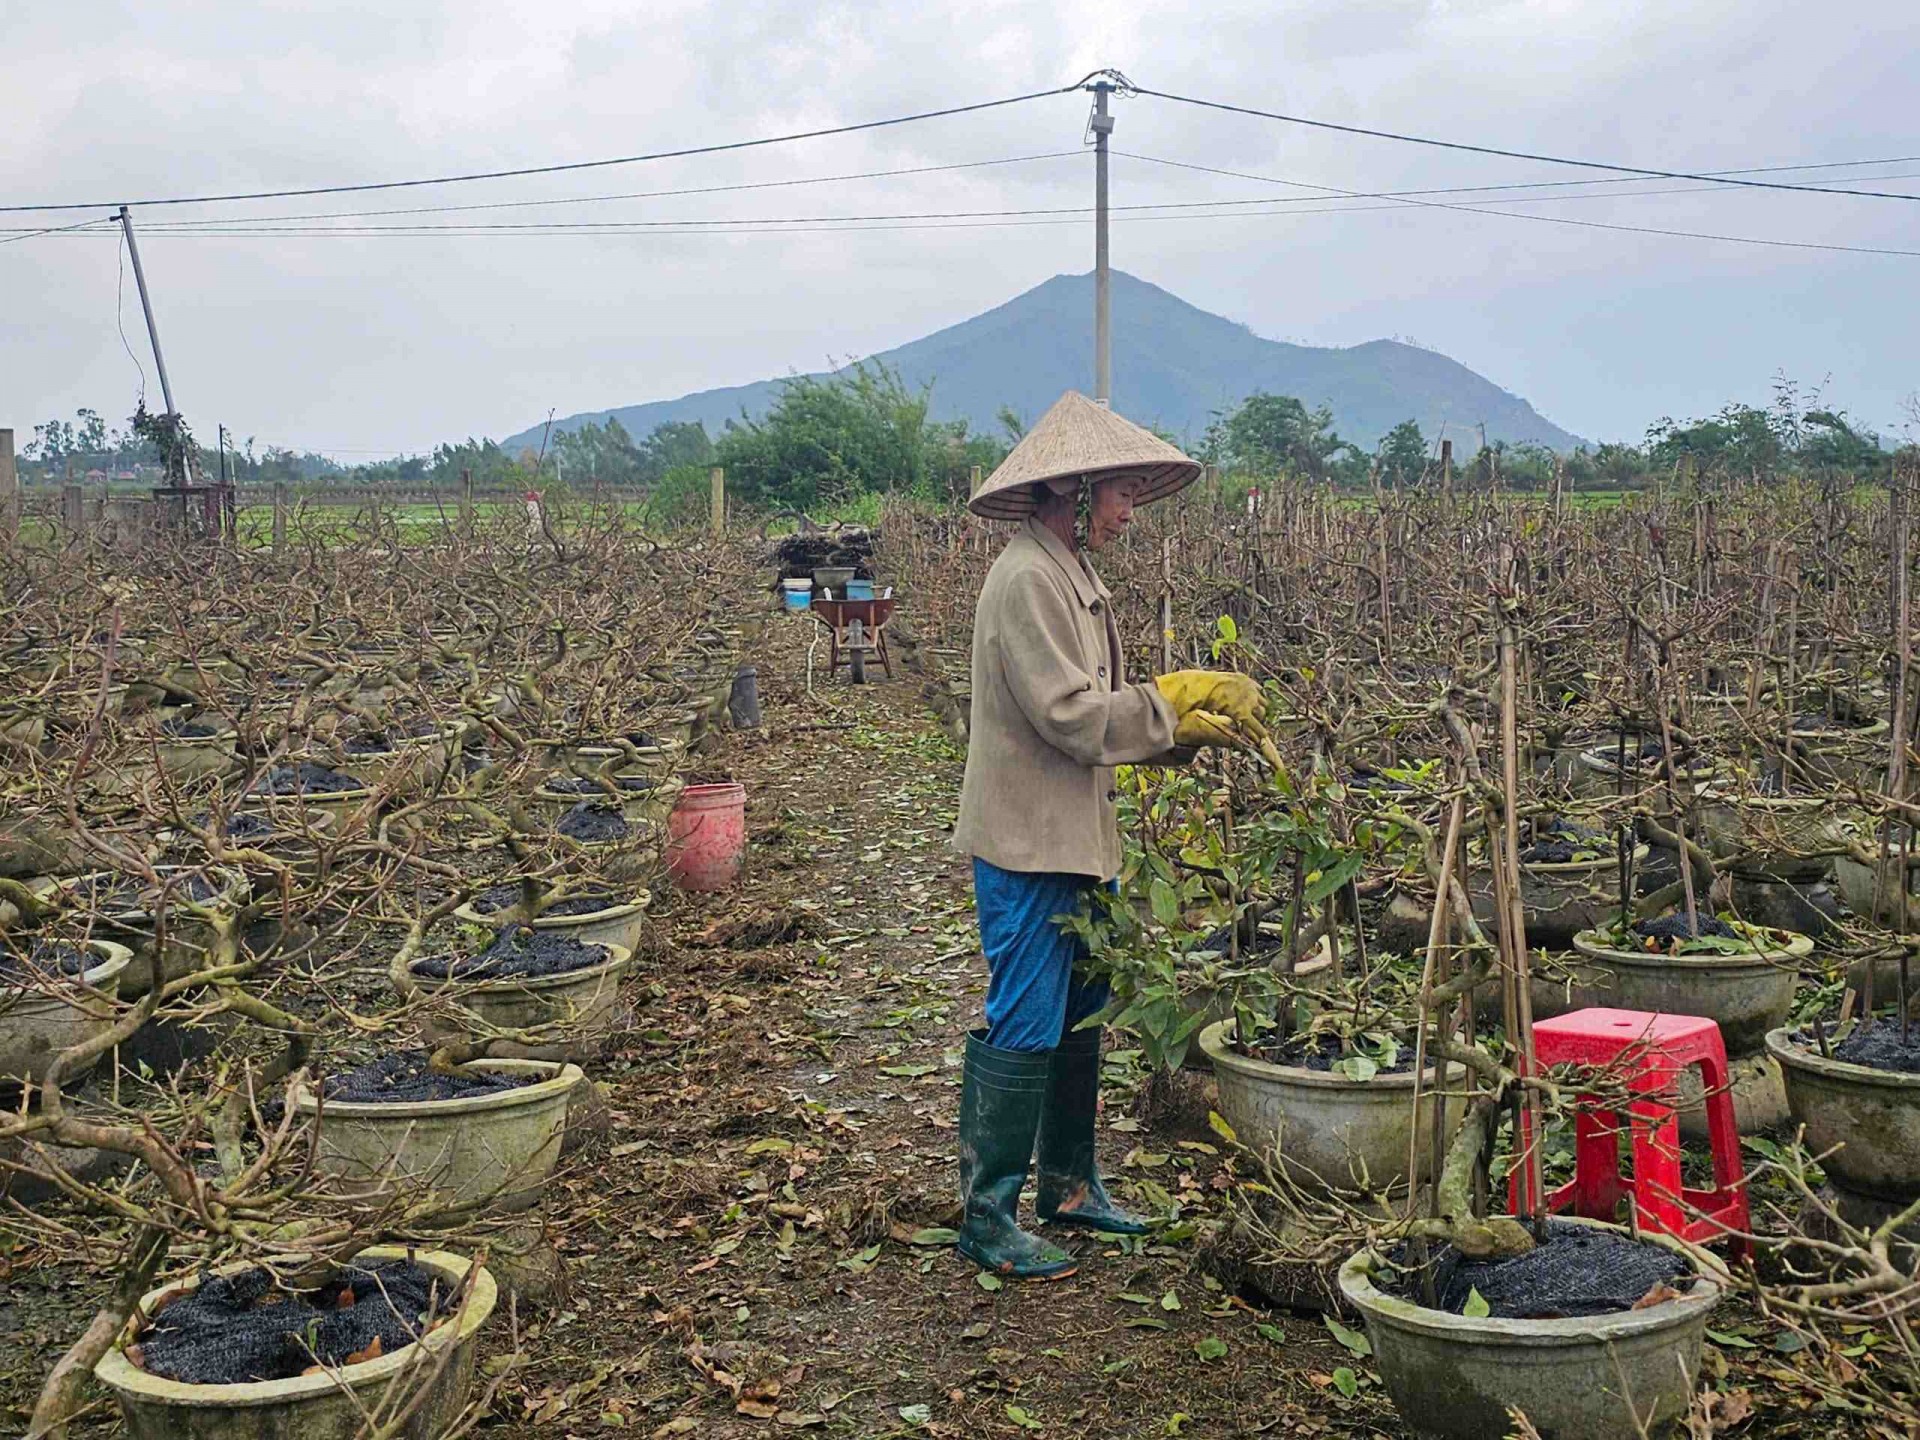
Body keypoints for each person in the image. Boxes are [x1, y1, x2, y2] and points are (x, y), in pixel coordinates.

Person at [950, 391, 1268, 1278]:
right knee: (1025, 1016)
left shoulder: (1070, 575)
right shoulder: (1026, 580)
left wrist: (1177, 734)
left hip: (1075, 835)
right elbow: (1071, 716)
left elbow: (1098, 723)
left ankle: (1071, 1184)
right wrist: (1176, 701)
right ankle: (987, 1214)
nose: (1131, 511)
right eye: (1124, 492)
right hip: (1028, 842)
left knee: (1081, 1011)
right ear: (1077, 488)